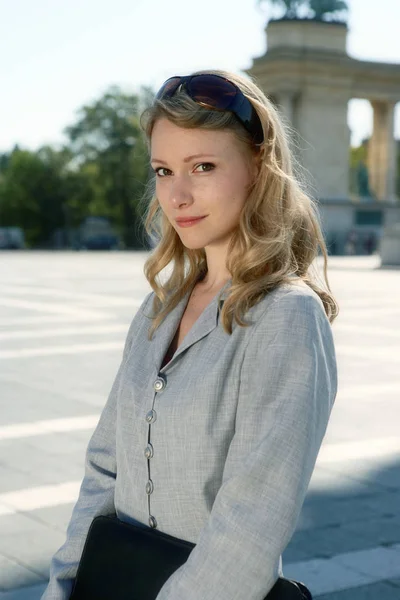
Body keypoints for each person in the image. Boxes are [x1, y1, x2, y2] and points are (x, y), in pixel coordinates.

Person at [42, 70, 338, 600]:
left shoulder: (286, 316)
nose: (177, 195)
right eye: (163, 170)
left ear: (257, 167)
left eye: (202, 166)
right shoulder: (159, 308)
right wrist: (63, 586)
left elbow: (252, 524)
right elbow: (104, 470)